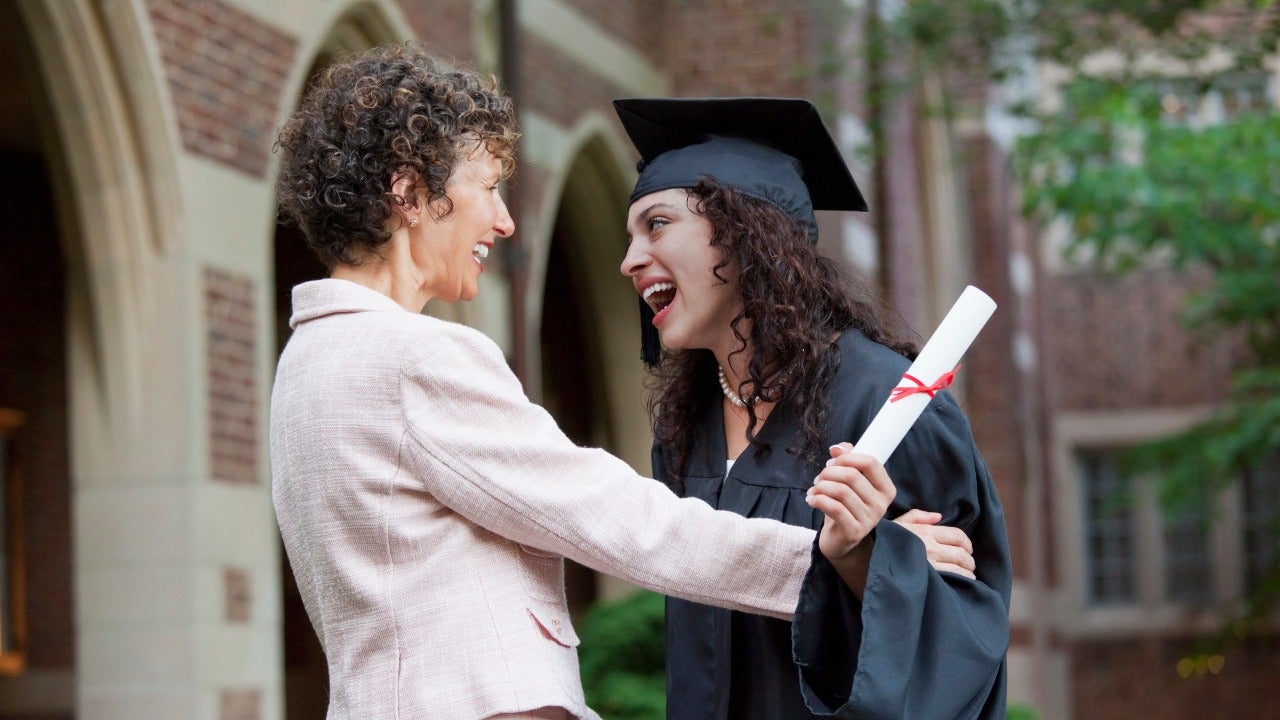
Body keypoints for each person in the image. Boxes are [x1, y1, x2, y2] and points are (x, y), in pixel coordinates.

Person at [269, 44, 970, 720]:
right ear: (409, 192)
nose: (505, 220)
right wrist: (835, 557)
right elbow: (610, 515)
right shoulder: (412, 357)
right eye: (487, 188)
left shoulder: (306, 362)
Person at [615, 96, 1013, 719]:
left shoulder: (889, 406)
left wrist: (876, 566)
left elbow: (961, 642)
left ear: (745, 230)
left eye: (657, 225)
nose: (629, 260)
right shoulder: (684, 428)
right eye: (630, 235)